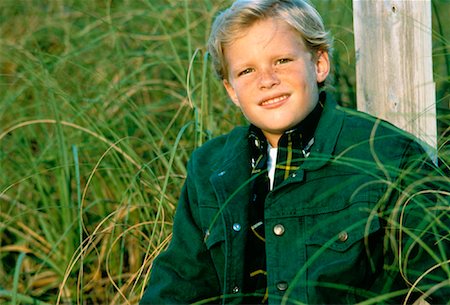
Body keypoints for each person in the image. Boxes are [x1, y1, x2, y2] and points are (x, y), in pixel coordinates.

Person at [140, 0, 450, 304]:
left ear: (319, 64)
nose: (267, 80)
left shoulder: (386, 152)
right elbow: (177, 286)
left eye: (282, 61)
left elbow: (440, 276)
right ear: (231, 90)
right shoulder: (210, 168)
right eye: (247, 70)